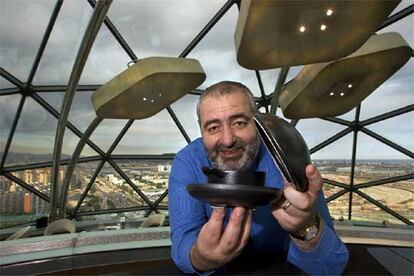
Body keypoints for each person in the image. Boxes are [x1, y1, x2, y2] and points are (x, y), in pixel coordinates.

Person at [168, 81, 349, 274]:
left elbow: (331, 267)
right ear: (201, 131)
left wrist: (305, 228)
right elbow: (183, 243)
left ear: (256, 122)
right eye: (213, 127)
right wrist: (201, 258)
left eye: (239, 123)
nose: (228, 140)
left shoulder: (285, 157)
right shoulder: (187, 161)